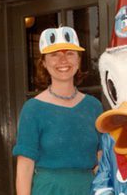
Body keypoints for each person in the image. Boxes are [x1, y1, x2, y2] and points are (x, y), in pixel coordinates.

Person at [13, 26, 103, 195]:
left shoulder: (93, 107)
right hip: (49, 190)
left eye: (69, 53)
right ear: (44, 63)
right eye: (54, 55)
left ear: (78, 60)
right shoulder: (33, 109)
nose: (63, 60)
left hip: (88, 189)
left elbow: (101, 157)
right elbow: (24, 168)